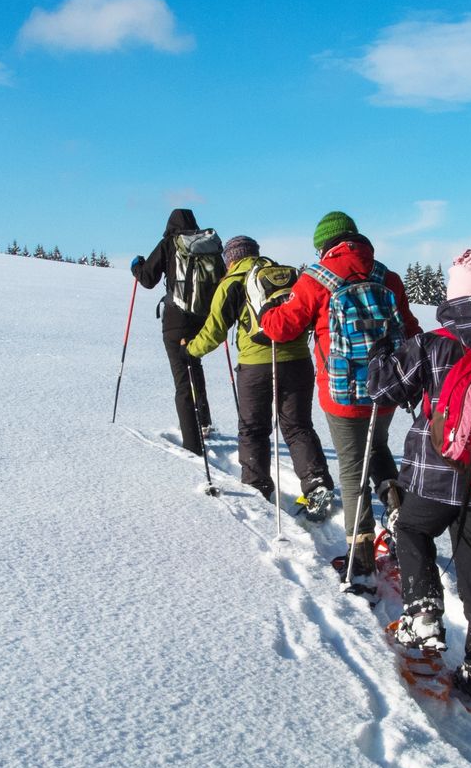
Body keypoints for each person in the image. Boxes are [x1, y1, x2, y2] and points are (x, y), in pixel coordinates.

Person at [367, 250, 471, 707]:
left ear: (452, 296)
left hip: (434, 474)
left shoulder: (432, 343)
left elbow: (382, 389)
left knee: (412, 528)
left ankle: (423, 608)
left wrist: (382, 352)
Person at [258, 211, 420, 573]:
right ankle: (397, 512)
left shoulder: (316, 279)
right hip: (387, 390)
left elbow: (283, 328)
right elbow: (409, 329)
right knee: (377, 449)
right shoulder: (386, 276)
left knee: (350, 467)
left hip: (342, 393)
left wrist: (267, 313)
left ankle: (360, 553)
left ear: (324, 247)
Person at [184, 235, 333, 511]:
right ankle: (317, 484)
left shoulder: (232, 282)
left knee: (253, 429)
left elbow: (214, 331)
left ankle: (257, 488)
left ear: (231, 259)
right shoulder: (285, 276)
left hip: (255, 366)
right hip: (298, 361)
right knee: (298, 426)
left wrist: (192, 350)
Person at [131, 208, 218, 453]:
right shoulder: (206, 245)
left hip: (176, 319)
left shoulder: (170, 243)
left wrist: (136, 266)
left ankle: (192, 444)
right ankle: (204, 422)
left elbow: (148, 279)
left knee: (182, 378)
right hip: (202, 319)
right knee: (195, 364)